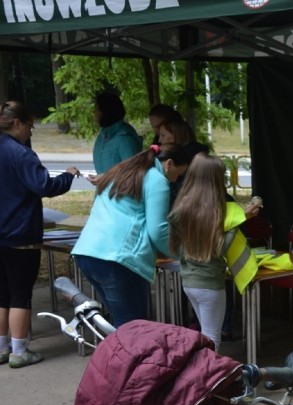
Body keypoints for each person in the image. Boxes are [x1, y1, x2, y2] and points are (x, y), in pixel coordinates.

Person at [72, 144, 190, 327]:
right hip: (118, 258)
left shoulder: (121, 172)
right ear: (169, 164)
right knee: (133, 328)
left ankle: (115, 355)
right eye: (179, 173)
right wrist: (183, 254)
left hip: (88, 252)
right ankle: (125, 356)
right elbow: (158, 230)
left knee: (120, 324)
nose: (176, 180)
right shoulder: (157, 179)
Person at [0, 101, 80, 368]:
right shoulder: (21, 154)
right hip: (20, 234)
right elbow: (44, 185)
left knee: (2, 294)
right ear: (17, 124)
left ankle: (2, 346)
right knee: (20, 294)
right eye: (30, 127)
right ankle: (20, 351)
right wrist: (68, 177)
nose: (31, 133)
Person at [168, 154, 260, 351]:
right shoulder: (218, 212)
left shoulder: (182, 208)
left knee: (205, 335)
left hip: (188, 282)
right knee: (212, 340)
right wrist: (237, 222)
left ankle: (201, 376)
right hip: (210, 284)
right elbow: (219, 249)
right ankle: (206, 379)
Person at [91, 92, 142, 179]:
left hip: (122, 192)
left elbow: (132, 173)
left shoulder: (125, 140)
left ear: (106, 111)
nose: (94, 111)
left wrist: (105, 178)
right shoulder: (102, 136)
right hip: (104, 191)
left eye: (97, 108)